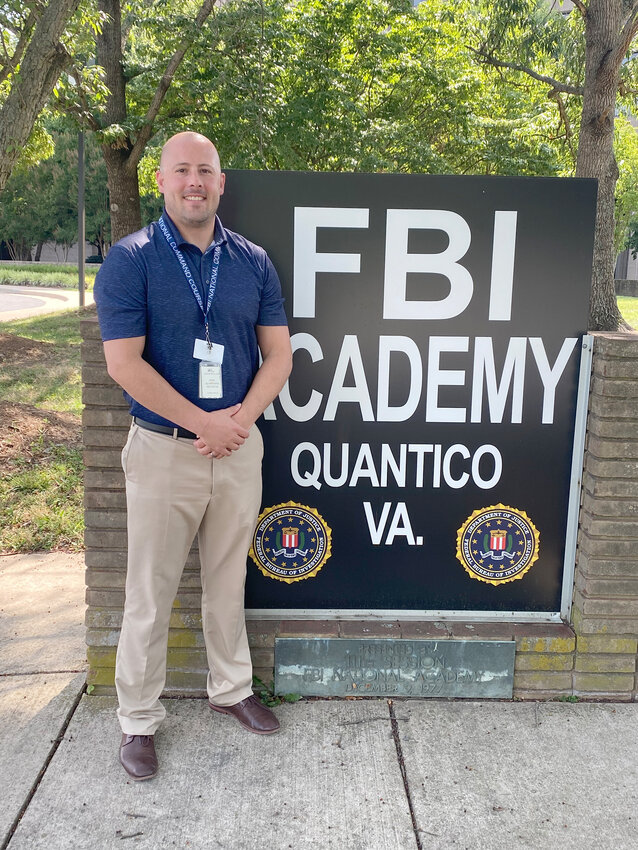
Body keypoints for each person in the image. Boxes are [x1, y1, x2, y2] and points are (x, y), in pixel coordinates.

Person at [94, 131, 292, 781]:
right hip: (163, 450)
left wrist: (237, 421)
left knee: (228, 579)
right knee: (148, 591)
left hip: (236, 448)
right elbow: (124, 364)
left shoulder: (253, 261)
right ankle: (138, 720)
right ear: (161, 181)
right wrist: (202, 422)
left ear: (221, 182)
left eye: (205, 169)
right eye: (181, 170)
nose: (194, 181)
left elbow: (279, 356)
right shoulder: (131, 260)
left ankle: (231, 689)